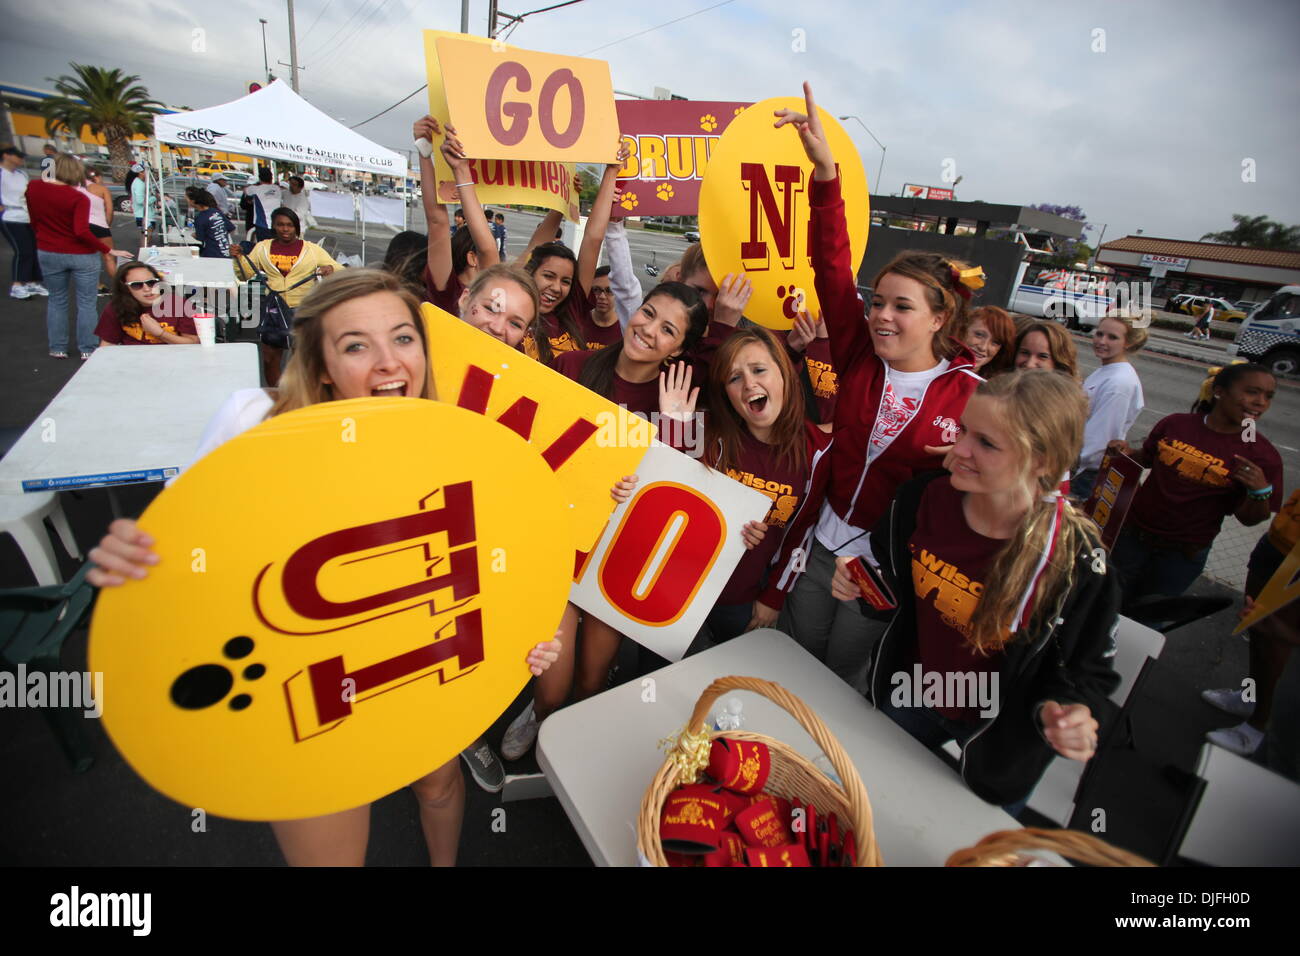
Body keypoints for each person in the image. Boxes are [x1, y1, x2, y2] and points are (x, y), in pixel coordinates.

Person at [85, 269, 564, 866]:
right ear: (319, 367)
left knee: (438, 784)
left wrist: (522, 638)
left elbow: (492, 560)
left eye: (403, 338)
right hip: (303, 682)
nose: (389, 362)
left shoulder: (456, 442)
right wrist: (137, 560)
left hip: (416, 662)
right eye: (356, 345)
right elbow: (190, 552)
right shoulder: (253, 422)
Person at [771, 83, 984, 687]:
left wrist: (960, 470)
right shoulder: (860, 351)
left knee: (841, 677)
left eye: (902, 307)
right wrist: (826, 173)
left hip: (884, 567)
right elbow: (831, 265)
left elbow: (1012, 478)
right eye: (878, 303)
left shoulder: (973, 397)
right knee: (795, 656)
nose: (882, 316)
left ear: (940, 318)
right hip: (816, 543)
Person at [830, 369, 1120, 808]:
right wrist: (863, 589)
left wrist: (1067, 712)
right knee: (863, 806)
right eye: (963, 429)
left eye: (986, 443)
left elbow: (1087, 671)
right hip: (912, 692)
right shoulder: (922, 498)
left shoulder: (1076, 563)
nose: (958, 449)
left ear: (1041, 460)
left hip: (1000, 734)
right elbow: (900, 593)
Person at [499, 283, 710, 760]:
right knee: (551, 691)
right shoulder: (574, 366)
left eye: (668, 329)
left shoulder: (680, 402)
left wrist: (674, 427)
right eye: (649, 313)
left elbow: (686, 494)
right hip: (560, 549)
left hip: (617, 561)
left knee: (591, 684)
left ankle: (566, 756)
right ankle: (538, 716)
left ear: (681, 348)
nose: (649, 330)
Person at [666, 325, 833, 646]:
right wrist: (672, 426)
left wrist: (774, 597)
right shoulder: (707, 433)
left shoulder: (816, 451)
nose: (749, 384)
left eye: (758, 370)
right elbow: (660, 491)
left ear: (785, 373)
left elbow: (802, 535)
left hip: (743, 600)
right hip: (680, 589)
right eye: (734, 378)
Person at [1108, 363, 1281, 610]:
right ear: (1219, 391)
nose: (1260, 402)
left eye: (1268, 396)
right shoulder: (1176, 424)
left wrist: (1259, 491)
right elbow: (1144, 459)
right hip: (1130, 539)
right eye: (1252, 392)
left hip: (1181, 556)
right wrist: (1122, 452)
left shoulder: (1261, 455)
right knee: (1106, 604)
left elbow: (1251, 519)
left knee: (1147, 618)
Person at [1202, 489, 1300, 756]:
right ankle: (1250, 697)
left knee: (1277, 645)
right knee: (1257, 632)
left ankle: (1259, 725)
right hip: (1279, 545)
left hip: (1295, 565)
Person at [515, 141, 629, 364]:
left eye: (566, 281)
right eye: (548, 276)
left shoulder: (573, 310)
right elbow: (533, 249)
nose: (556, 288)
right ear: (530, 272)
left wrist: (612, 171)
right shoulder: (509, 315)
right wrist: (561, 203)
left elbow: (593, 240)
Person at [26, 153, 131, 360]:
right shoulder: (78, 198)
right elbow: (81, 231)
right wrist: (108, 249)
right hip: (81, 254)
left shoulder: (34, 188)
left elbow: (33, 220)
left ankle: (57, 347)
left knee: (57, 300)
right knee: (86, 302)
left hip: (48, 251)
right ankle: (88, 347)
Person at [231, 206, 340, 386]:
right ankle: (277, 395)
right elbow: (244, 275)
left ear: (296, 227)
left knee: (302, 358)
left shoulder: (311, 250)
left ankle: (301, 394)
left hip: (303, 310)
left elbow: (338, 268)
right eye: (280, 225)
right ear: (274, 226)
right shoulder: (262, 248)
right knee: (269, 358)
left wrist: (330, 269)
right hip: (273, 309)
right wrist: (238, 259)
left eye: (289, 225)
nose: (285, 229)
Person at [412, 115, 500, 317]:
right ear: (471, 257)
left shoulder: (496, 292)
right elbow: (437, 221)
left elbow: (488, 251)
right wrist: (425, 152)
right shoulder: (446, 289)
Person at [1070, 313, 1147, 500]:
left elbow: (1098, 439)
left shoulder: (1119, 383)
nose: (1101, 341)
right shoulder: (1107, 370)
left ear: (1127, 343)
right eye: (1099, 333)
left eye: (1112, 337)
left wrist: (1067, 470)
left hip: (1084, 474)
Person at [94, 260, 198, 345]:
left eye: (151, 282)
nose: (147, 289)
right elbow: (107, 345)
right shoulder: (116, 307)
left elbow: (193, 343)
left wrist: (160, 333)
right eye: (136, 285)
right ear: (125, 289)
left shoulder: (180, 305)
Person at [1, 145, 46, 298]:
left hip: (28, 216)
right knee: (22, 251)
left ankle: (32, 282)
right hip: (10, 217)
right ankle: (17, 284)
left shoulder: (21, 174)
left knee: (34, 250)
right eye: (18, 156)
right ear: (6, 156)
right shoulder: (1, 174)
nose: (21, 159)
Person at [956, 305, 1016, 376]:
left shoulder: (992, 385)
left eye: (995, 342)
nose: (983, 347)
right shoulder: (940, 364)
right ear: (962, 331)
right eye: (979, 335)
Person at [81, 167, 116, 287]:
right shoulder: (102, 189)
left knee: (89, 256)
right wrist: (108, 224)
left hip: (83, 226)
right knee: (109, 256)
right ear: (96, 177)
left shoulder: (77, 189)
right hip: (100, 225)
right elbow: (110, 210)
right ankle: (118, 286)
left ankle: (96, 284)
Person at [1012, 320, 1079, 379]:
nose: (1029, 364)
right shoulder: (1004, 388)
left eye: (1043, 356)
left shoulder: (1069, 393)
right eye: (1024, 352)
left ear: (1059, 364)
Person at [186, 188, 233, 259]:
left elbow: (200, 237)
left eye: (187, 200)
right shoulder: (216, 212)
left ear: (193, 201)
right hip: (225, 252)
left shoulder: (200, 218)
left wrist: (194, 235)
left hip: (211, 254)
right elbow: (231, 227)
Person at [244, 166, 283, 242]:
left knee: (263, 248)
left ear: (260, 178)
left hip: (262, 224)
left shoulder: (255, 189)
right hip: (276, 223)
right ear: (271, 177)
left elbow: (246, 190)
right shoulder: (277, 188)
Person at [587, 265, 620, 349]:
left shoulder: (624, 329)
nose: (602, 296)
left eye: (609, 291)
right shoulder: (578, 321)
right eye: (596, 290)